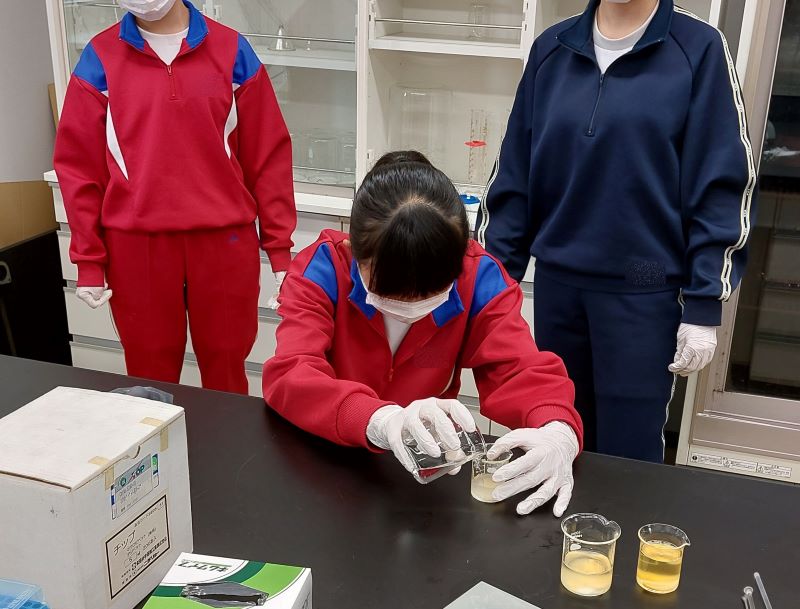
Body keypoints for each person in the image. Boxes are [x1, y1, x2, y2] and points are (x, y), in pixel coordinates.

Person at [477, 0, 755, 462]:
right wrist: (488, 286)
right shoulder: (552, 49)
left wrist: (704, 302)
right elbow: (514, 177)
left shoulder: (698, 49)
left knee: (629, 455)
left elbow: (722, 184)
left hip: (643, 286)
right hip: (558, 285)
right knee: (557, 436)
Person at [263, 151, 583, 517]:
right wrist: (380, 420)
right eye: (389, 292)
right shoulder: (322, 269)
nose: (410, 307)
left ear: (462, 257)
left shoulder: (480, 278)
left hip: (422, 473)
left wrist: (557, 430)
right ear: (354, 253)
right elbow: (292, 372)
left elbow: (520, 369)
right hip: (322, 459)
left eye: (431, 293)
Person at [54, 0, 296, 394]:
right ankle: (156, 438)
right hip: (137, 244)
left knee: (226, 370)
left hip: (224, 241)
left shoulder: (232, 51)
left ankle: (224, 437)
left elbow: (267, 154)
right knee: (148, 376)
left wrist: (280, 249)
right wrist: (89, 260)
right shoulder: (99, 58)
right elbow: (79, 168)